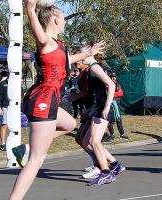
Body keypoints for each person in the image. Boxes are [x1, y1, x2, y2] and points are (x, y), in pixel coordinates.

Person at [9, 1, 105, 199]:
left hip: (49, 100)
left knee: (69, 123)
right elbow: (39, 35)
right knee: (36, 160)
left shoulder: (59, 46)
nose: (65, 22)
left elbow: (66, 60)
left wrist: (87, 53)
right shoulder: (46, 41)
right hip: (42, 101)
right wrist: (30, 9)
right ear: (54, 20)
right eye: (63, 18)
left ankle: (26, 148)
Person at [79, 45, 125, 186]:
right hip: (97, 107)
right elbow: (96, 92)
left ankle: (106, 173)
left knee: (94, 142)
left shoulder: (95, 67)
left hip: (103, 108)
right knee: (87, 141)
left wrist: (106, 106)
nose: (80, 57)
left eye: (81, 54)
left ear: (90, 54)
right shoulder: (92, 69)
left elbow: (111, 85)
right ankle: (115, 165)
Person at [0, 71, 9, 151]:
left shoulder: (15, 83)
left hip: (14, 107)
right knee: (4, 125)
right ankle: (3, 144)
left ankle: (11, 142)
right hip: (4, 106)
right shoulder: (2, 84)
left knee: (12, 126)